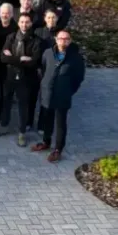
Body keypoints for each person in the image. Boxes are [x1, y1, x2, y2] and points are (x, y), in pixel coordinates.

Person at [32, 30, 85, 162]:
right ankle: (46, 142)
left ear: (70, 41)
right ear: (56, 39)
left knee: (60, 123)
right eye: (61, 38)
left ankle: (58, 149)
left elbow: (78, 78)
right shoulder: (48, 53)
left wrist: (69, 90)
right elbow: (43, 68)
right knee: (47, 119)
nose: (63, 41)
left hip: (63, 94)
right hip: (47, 92)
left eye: (66, 39)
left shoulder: (76, 58)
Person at [0, 13, 41, 145]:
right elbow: (3, 58)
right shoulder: (11, 37)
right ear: (18, 23)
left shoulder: (36, 40)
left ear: (31, 23)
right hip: (9, 75)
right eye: (22, 22)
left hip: (26, 77)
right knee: (6, 101)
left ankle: (22, 133)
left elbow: (34, 62)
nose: (24, 24)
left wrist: (12, 58)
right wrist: (21, 59)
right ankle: (3, 127)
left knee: (23, 105)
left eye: (27, 22)